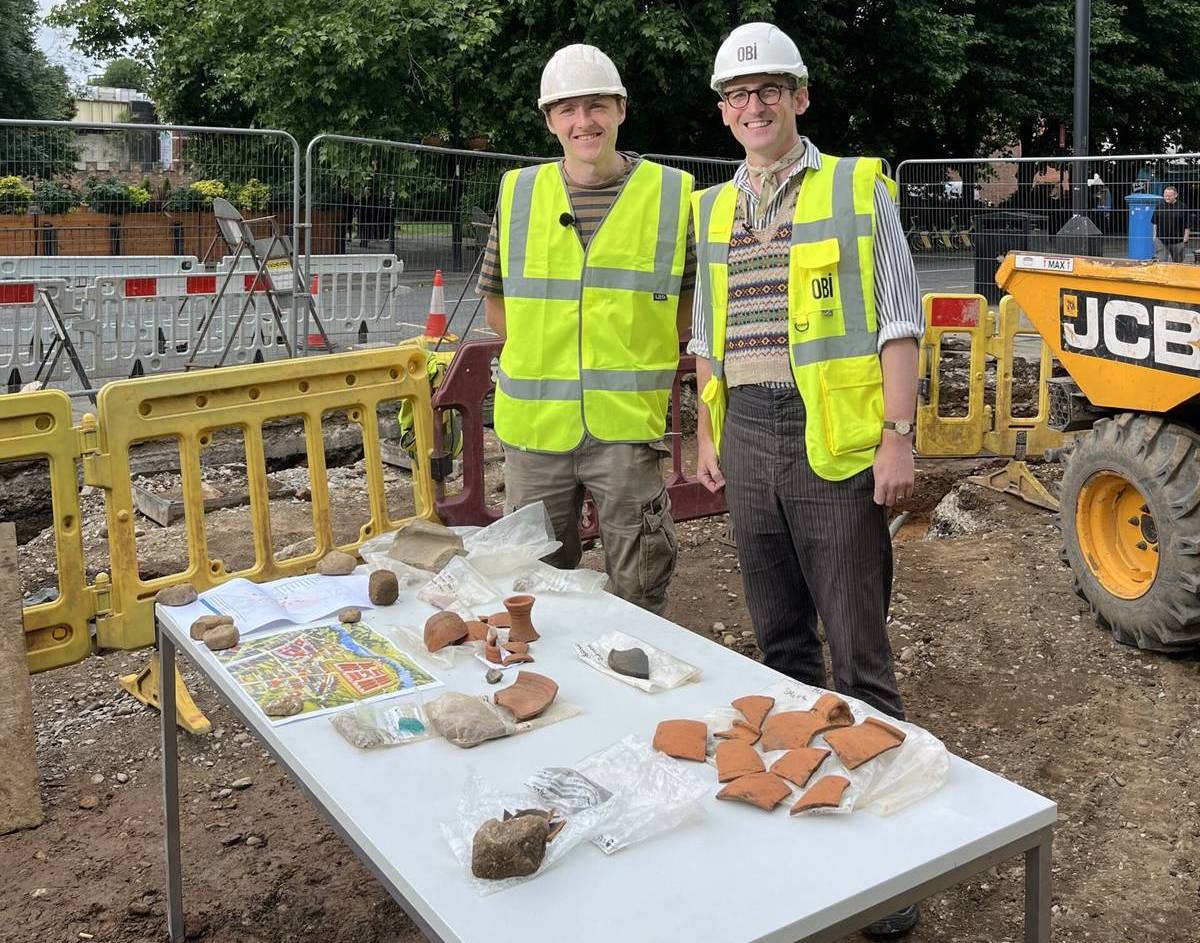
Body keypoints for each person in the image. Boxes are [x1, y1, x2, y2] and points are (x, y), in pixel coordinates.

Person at [690, 23, 923, 936]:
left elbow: (898, 322)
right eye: (738, 95)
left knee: (861, 657)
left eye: (770, 90)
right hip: (745, 437)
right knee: (780, 648)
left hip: (834, 445)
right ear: (725, 109)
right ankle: (812, 839)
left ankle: (890, 869)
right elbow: (707, 331)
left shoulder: (858, 188)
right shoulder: (715, 209)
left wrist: (898, 436)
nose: (754, 106)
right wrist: (711, 433)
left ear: (801, 97)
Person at [477, 44, 695, 615]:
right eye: (568, 110)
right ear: (550, 120)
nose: (584, 122)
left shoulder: (673, 196)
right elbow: (497, 306)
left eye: (596, 105)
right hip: (534, 431)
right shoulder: (518, 194)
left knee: (640, 583)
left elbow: (687, 306)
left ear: (621, 109)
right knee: (535, 584)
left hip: (625, 429)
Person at [1154, 185, 1191, 262]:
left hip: (1178, 241)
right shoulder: (1159, 206)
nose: (1167, 197)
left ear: (1176, 195)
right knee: (1162, 262)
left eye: (1170, 196)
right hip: (1161, 240)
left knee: (1178, 263)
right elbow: (1155, 222)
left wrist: (1185, 238)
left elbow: (1187, 225)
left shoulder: (1183, 207)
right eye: (1165, 195)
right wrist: (1154, 237)